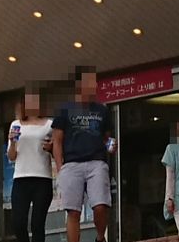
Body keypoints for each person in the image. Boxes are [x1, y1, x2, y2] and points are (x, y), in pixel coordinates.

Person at [52, 66, 116, 242]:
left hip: (97, 162)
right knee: (73, 212)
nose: (94, 85)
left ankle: (100, 238)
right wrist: (60, 168)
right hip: (72, 164)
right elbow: (57, 141)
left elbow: (107, 139)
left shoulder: (102, 110)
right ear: (79, 84)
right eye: (90, 81)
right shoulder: (64, 110)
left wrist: (111, 146)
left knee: (100, 206)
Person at [7, 85, 53, 242]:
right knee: (18, 222)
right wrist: (13, 142)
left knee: (37, 224)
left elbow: (56, 149)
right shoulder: (16, 124)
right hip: (21, 178)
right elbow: (12, 156)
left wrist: (50, 148)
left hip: (42, 178)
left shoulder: (49, 125)